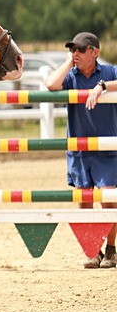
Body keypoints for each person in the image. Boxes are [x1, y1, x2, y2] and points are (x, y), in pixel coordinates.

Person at [46, 32, 117, 268]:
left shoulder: (108, 72)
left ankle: (111, 250)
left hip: (107, 150)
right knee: (84, 202)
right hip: (79, 150)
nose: (75, 53)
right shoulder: (71, 76)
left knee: (109, 199)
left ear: (94, 52)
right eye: (72, 49)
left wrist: (101, 86)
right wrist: (69, 61)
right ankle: (92, 250)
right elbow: (51, 84)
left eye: (80, 50)